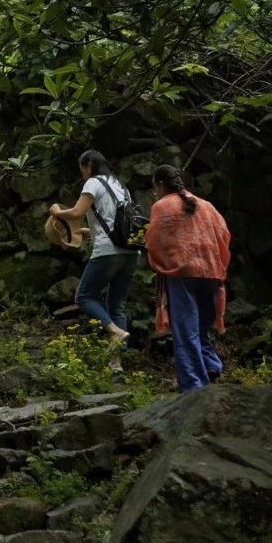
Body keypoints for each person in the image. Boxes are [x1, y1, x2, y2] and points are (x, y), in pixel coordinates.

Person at [145, 164, 231, 392]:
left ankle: (194, 386)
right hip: (211, 272)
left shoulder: (162, 206)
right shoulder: (207, 206)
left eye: (156, 188)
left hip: (182, 273)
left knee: (186, 332)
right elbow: (224, 236)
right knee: (201, 329)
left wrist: (161, 264)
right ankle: (211, 367)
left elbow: (154, 241)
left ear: (160, 185)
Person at [48, 150, 139, 365]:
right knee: (116, 306)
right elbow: (112, 222)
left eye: (82, 169)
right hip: (131, 251)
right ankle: (116, 365)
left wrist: (57, 212)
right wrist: (87, 232)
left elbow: (77, 213)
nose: (82, 175)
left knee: (84, 297)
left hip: (108, 252)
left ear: (88, 165)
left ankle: (115, 331)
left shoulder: (93, 183)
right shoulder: (120, 186)